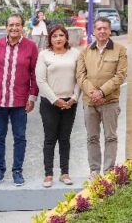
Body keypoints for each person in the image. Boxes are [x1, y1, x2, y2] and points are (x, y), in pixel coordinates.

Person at [0, 13, 39, 187]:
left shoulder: (31, 47)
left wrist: (32, 97)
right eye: (11, 25)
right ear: (6, 27)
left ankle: (17, 171)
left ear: (22, 27)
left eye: (17, 25)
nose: (14, 28)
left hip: (20, 101)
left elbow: (34, 74)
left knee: (20, 137)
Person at [77, 16, 128, 176]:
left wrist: (102, 92)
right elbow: (80, 76)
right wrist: (93, 93)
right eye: (99, 28)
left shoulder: (120, 50)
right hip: (89, 102)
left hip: (110, 101)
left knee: (110, 137)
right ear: (93, 31)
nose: (102, 31)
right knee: (92, 137)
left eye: (105, 28)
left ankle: (108, 171)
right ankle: (94, 170)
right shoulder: (85, 52)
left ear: (110, 30)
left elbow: (120, 75)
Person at [36, 24, 80, 187]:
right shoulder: (44, 55)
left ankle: (65, 173)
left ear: (66, 37)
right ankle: (48, 174)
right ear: (50, 39)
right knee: (50, 139)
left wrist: (74, 97)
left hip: (70, 103)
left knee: (65, 138)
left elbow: (80, 77)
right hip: (50, 103)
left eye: (61, 35)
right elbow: (41, 81)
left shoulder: (75, 54)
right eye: (54, 36)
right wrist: (55, 100)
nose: (58, 39)